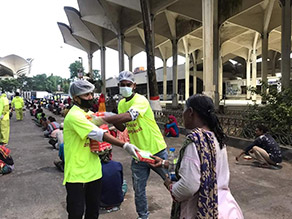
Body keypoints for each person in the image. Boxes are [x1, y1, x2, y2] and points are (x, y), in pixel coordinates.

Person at [151, 94, 243, 219]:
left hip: (203, 210)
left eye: (183, 110)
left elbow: (188, 186)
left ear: (190, 112)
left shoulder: (195, 141)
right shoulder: (215, 136)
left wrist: (170, 186)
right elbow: (203, 165)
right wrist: (164, 163)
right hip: (226, 208)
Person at [63, 80, 139, 219]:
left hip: (94, 171)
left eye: (92, 93)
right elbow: (99, 134)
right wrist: (124, 145)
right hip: (76, 174)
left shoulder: (87, 113)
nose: (91, 97)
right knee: (76, 213)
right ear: (76, 98)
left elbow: (102, 120)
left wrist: (119, 117)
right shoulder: (74, 116)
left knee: (93, 212)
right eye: (86, 95)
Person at [101, 70, 168, 219]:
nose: (125, 87)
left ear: (134, 85)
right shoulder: (121, 104)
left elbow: (130, 116)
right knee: (139, 189)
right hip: (138, 154)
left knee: (172, 182)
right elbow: (123, 127)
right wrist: (114, 121)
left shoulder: (140, 100)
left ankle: (183, 212)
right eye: (122, 85)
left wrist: (104, 118)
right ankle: (143, 216)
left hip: (156, 150)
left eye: (128, 84)